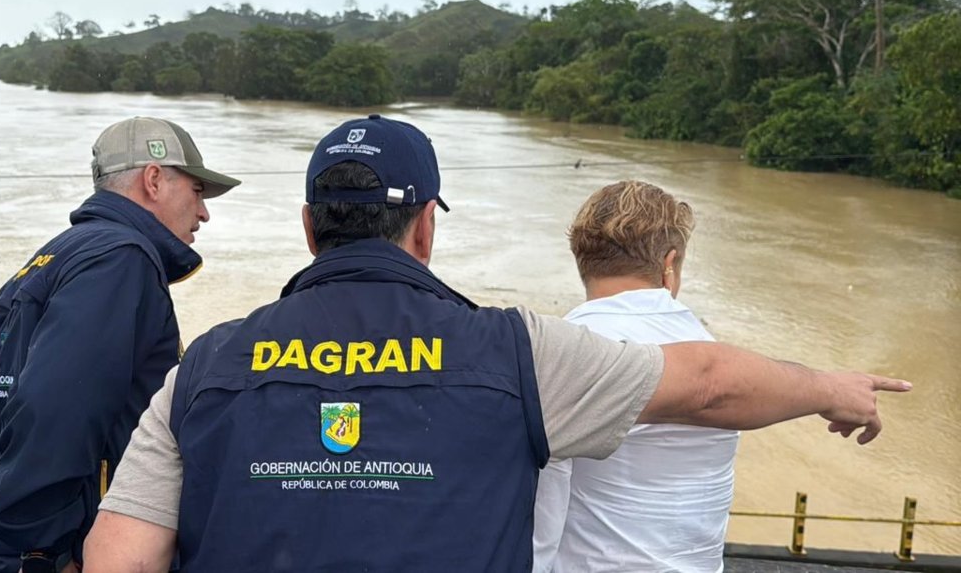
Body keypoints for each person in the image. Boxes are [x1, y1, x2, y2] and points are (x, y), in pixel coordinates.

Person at [82, 114, 909, 573]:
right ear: (425, 226)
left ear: (308, 226)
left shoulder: (205, 365)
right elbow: (708, 382)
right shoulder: (516, 351)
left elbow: (119, 557)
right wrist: (831, 388)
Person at [0, 116, 240, 573]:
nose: (204, 212)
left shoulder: (58, 254)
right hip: (76, 550)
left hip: (16, 549)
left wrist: (13, 522)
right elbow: (55, 409)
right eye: (196, 191)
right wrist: (50, 547)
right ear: (154, 179)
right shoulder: (120, 260)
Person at [533, 180, 736, 573]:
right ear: (669, 264)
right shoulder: (720, 358)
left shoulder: (561, 351)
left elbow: (542, 513)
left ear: (582, 261)